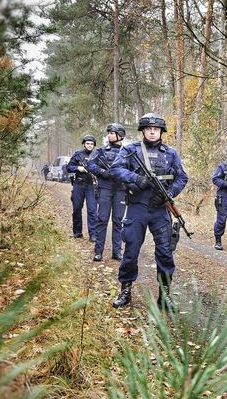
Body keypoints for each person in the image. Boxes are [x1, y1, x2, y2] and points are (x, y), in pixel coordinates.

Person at [110, 113, 188, 310]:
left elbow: (182, 178)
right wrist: (137, 180)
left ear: (161, 131)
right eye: (148, 128)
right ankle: (125, 291)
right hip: (137, 207)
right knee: (131, 251)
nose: (152, 131)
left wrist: (168, 193)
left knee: (165, 253)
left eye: (156, 129)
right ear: (143, 131)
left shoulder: (170, 153)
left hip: (160, 210)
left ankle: (165, 296)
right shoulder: (130, 150)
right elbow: (115, 169)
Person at [88, 123, 127, 262]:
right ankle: (98, 252)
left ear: (120, 135)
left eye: (111, 132)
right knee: (102, 219)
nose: (108, 135)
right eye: (108, 133)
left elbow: (133, 169)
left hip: (121, 190)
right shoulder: (101, 151)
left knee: (118, 221)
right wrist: (103, 172)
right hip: (105, 188)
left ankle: (117, 252)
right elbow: (90, 165)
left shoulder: (127, 152)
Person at [66, 135, 98, 241]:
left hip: (91, 186)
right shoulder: (78, 155)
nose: (89, 145)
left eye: (91, 144)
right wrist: (77, 168)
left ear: (94, 145)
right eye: (88, 143)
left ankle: (93, 234)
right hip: (78, 185)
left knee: (92, 210)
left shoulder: (97, 155)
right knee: (77, 209)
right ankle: (77, 232)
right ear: (84, 144)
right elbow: (68, 167)